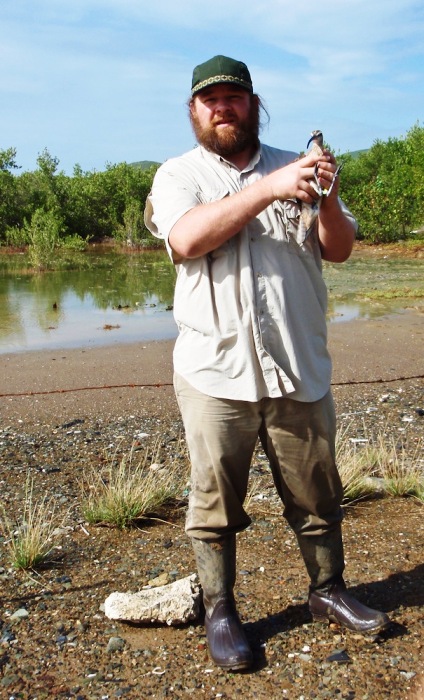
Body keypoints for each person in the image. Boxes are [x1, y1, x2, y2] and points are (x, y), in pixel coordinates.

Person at [144, 55, 390, 671]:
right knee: (214, 501)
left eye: (233, 98)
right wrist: (269, 189)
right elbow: (187, 239)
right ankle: (222, 608)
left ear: (253, 104)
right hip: (213, 370)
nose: (222, 108)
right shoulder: (177, 175)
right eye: (210, 101)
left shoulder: (297, 164)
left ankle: (328, 591)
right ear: (194, 111)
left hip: (297, 362)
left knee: (317, 493)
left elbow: (338, 248)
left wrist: (326, 199)